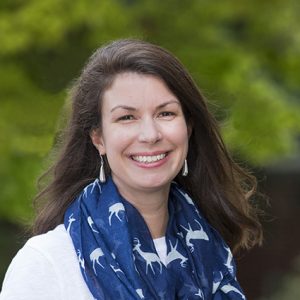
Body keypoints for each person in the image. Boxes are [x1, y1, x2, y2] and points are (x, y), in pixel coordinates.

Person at [0, 39, 262, 299]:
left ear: (188, 128)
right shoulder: (48, 263)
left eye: (165, 113)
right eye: (127, 117)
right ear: (98, 138)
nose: (150, 135)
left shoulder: (211, 252)